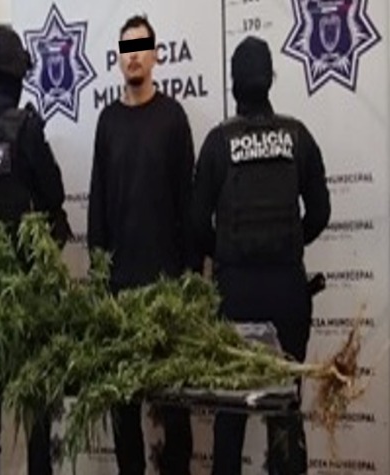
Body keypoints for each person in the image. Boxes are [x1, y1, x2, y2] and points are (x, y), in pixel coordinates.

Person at [190, 36, 331, 475]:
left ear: (233, 84)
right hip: (287, 293)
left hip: (235, 295)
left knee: (229, 417)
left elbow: (196, 224)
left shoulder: (218, 143)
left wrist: (228, 254)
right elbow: (321, 213)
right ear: (270, 79)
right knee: (284, 416)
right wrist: (288, 245)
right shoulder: (298, 136)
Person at [87, 14, 198, 475]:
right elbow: (97, 202)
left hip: (168, 288)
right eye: (126, 49)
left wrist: (191, 281)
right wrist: (99, 277)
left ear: (154, 56)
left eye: (141, 48)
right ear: (119, 58)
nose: (133, 57)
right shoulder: (108, 121)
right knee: (124, 406)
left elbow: (189, 205)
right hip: (120, 291)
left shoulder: (173, 118)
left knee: (176, 406)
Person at [0, 25, 72, 475]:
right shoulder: (25, 128)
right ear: (18, 76)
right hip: (31, 292)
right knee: (35, 402)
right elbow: (55, 195)